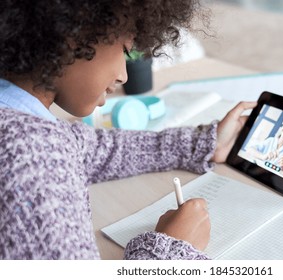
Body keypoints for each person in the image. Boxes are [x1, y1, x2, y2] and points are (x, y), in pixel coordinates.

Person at [0, 0, 257, 260]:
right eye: (124, 51)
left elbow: (94, 149)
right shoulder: (32, 157)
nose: (124, 75)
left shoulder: (21, 127)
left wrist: (203, 143)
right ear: (72, 34)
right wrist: (171, 249)